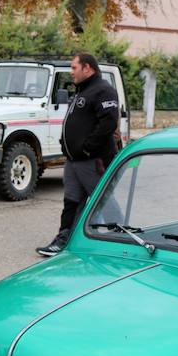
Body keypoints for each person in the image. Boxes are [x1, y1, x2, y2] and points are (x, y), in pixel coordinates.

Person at [36, 53, 120, 257]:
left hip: (93, 160)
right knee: (71, 201)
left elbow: (108, 123)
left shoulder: (103, 90)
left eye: (74, 68)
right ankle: (65, 239)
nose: (71, 72)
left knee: (104, 200)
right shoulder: (82, 91)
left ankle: (120, 239)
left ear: (87, 68)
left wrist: (87, 147)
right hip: (74, 161)